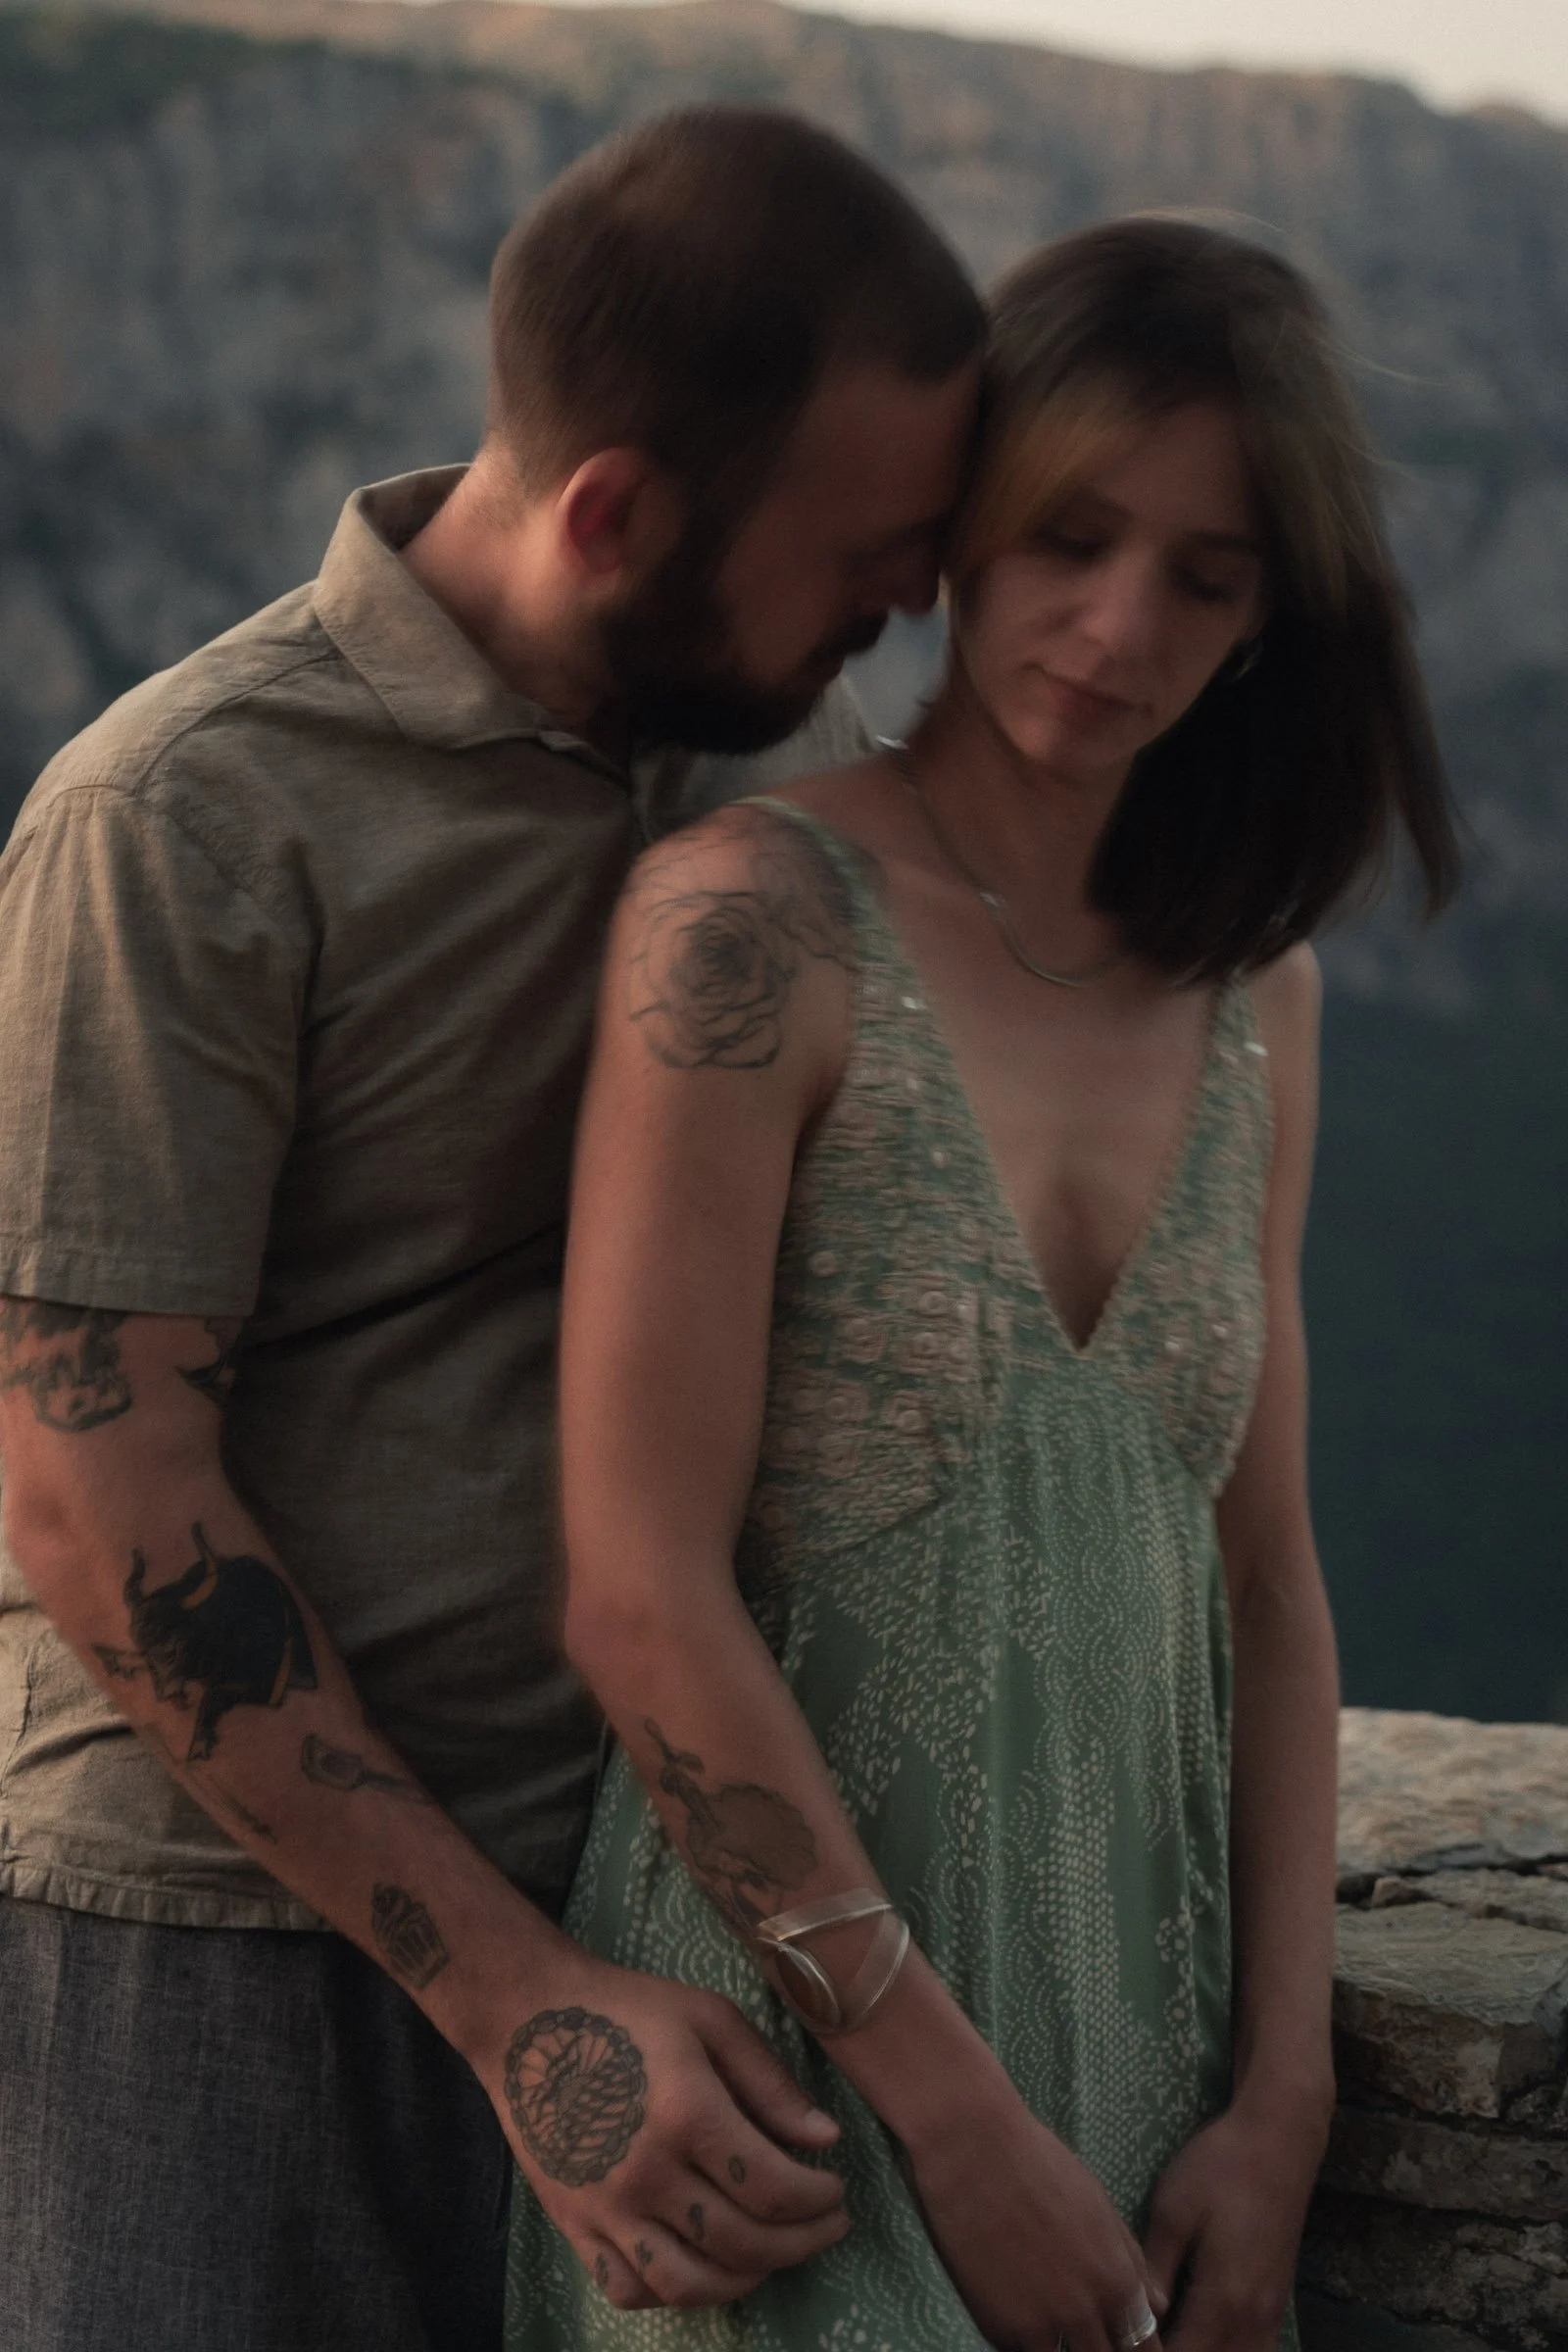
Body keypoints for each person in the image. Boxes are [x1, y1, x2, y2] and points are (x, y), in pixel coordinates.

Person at [0, 110, 983, 2352]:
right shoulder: (182, 821)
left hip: (655, 1913)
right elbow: (93, 1484)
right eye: (870, 548)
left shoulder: (755, 747)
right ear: (615, 514)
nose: (909, 603)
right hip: (221, 1963)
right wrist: (526, 2013)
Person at [508, 218, 1461, 2350]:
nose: (1116, 626)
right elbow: (633, 1584)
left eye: (1201, 578)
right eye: (1072, 538)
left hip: (1144, 2055)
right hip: (794, 2100)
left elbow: (1265, 1586)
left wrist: (1283, 2100)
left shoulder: (1253, 1000)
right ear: (954, 538)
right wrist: (949, 2124)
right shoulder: (745, 930)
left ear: (1263, 622)